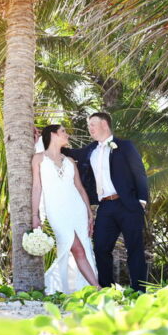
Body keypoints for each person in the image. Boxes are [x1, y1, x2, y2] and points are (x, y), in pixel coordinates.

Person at [65, 112, 150, 292]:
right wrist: (43, 138)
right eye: (89, 126)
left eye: (92, 124)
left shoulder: (125, 146)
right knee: (101, 248)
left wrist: (142, 201)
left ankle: (139, 291)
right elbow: (69, 152)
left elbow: (139, 172)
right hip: (105, 206)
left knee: (134, 249)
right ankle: (107, 290)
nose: (90, 128)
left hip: (128, 204)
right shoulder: (90, 149)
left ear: (104, 124)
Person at [31, 124, 100, 294]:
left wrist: (89, 213)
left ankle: (91, 287)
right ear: (53, 135)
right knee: (76, 247)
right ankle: (96, 287)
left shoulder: (69, 161)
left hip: (77, 208)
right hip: (56, 211)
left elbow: (80, 188)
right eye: (63, 131)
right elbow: (37, 188)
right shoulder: (38, 158)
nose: (67, 135)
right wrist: (35, 215)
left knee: (83, 246)